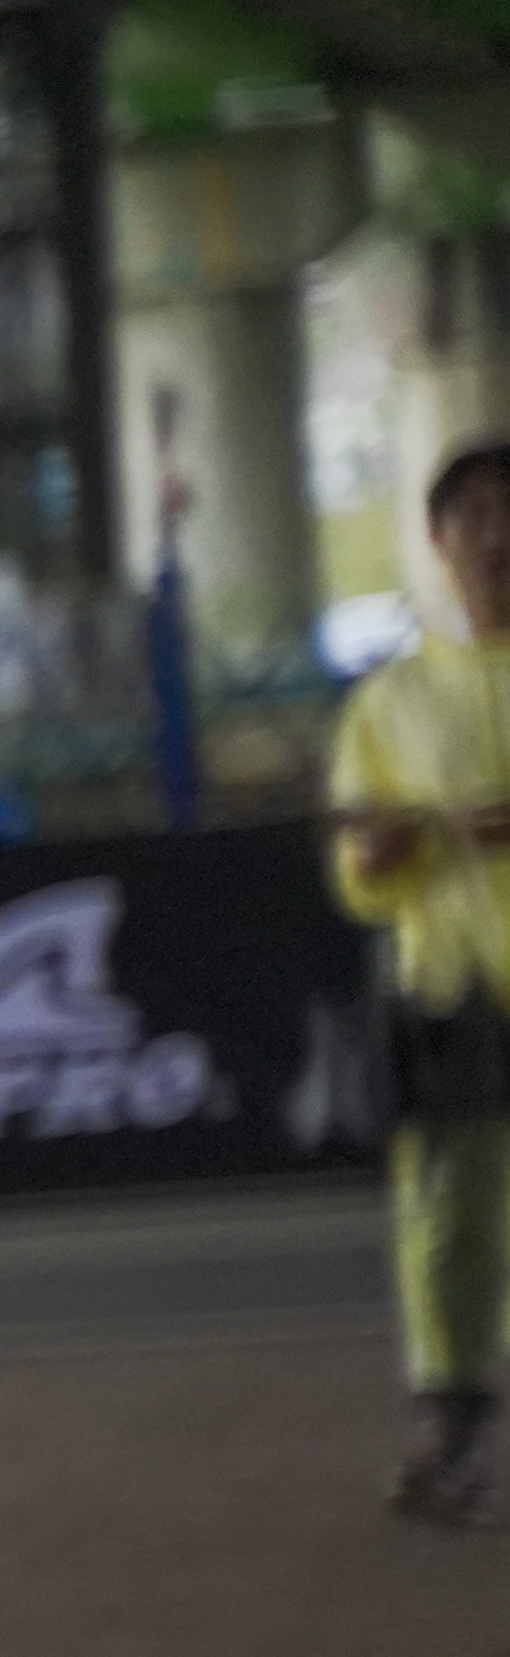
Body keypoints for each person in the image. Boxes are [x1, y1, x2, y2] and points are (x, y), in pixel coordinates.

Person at [331, 438, 510, 1524]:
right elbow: (360, 872)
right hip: (448, 988)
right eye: (475, 516)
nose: (498, 536)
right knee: (445, 1215)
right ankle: (450, 1435)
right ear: (439, 543)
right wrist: (384, 853)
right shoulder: (391, 702)